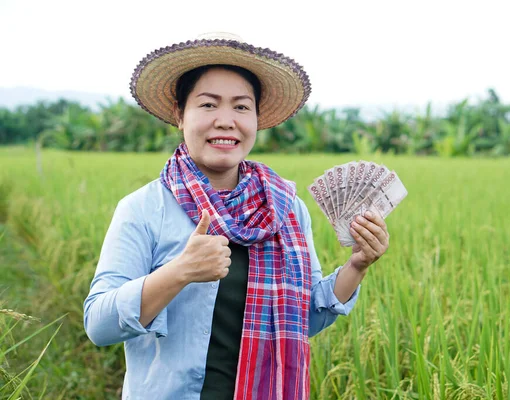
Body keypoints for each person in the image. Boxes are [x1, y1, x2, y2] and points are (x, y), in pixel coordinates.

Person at [83, 32, 390, 400]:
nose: (226, 121)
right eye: (209, 105)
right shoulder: (145, 209)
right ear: (181, 115)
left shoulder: (284, 208)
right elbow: (98, 324)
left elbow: (302, 318)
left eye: (242, 107)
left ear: (257, 118)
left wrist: (357, 265)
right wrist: (180, 272)